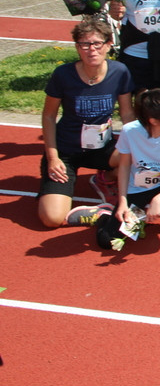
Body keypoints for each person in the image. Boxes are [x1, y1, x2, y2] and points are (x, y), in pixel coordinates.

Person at [38, 17, 136, 229]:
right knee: (51, 218)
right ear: (77, 48)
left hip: (103, 149)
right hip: (66, 151)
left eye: (97, 43)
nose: (91, 49)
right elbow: (48, 116)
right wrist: (52, 157)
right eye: (85, 44)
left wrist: (138, 145)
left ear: (108, 45)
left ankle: (105, 178)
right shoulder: (63, 74)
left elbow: (127, 115)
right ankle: (98, 214)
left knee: (138, 157)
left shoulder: (119, 71)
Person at [92, 89, 160, 250]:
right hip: (137, 188)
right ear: (153, 121)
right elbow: (124, 166)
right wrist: (123, 202)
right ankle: (102, 215)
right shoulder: (130, 131)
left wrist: (157, 200)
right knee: (107, 241)